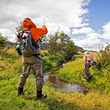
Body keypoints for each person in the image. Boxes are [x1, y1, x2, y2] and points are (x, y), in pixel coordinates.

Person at [16, 18, 48, 99]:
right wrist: (44, 26)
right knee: (39, 77)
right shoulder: (35, 30)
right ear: (31, 23)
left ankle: (19, 92)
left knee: (23, 75)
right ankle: (39, 95)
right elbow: (45, 31)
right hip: (35, 58)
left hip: (25, 57)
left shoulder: (21, 33)